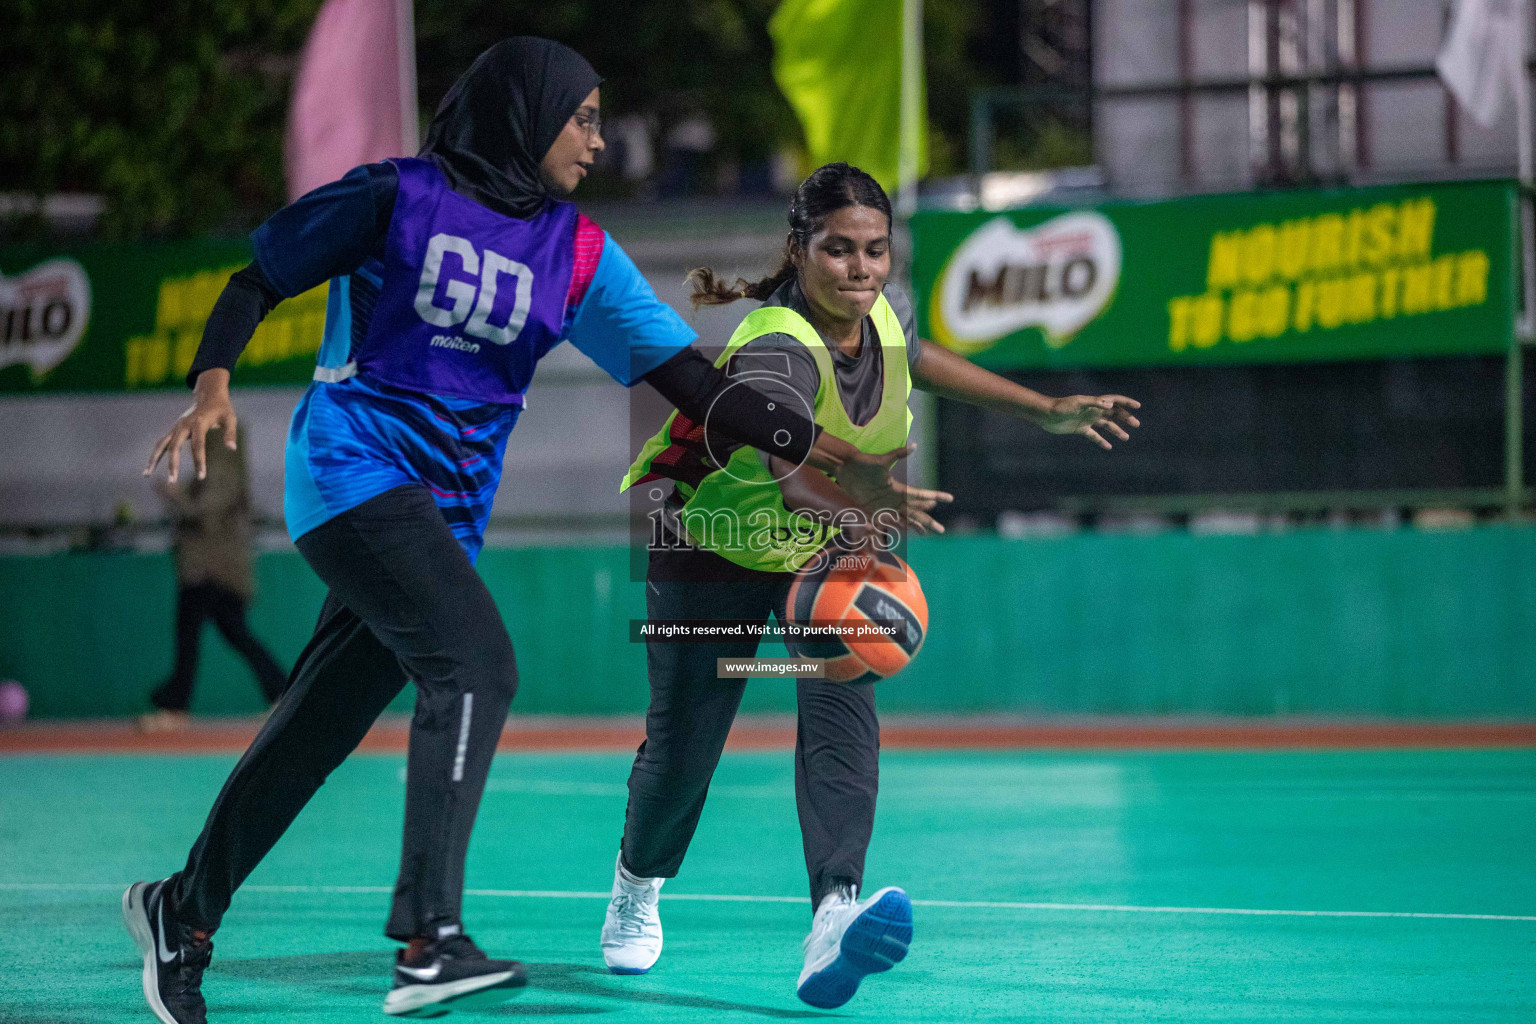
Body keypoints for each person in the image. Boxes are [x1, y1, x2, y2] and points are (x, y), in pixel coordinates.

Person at [123, 39, 892, 1024]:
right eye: (581, 119)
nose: (598, 141)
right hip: (352, 473)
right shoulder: (394, 197)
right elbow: (256, 277)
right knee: (478, 664)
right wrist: (213, 382)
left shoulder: (573, 251)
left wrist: (814, 444)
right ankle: (428, 936)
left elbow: (693, 384)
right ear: (525, 118)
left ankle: (179, 915)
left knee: (318, 724)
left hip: (440, 517)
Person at [601, 162, 1142, 1008]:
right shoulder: (777, 344)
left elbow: (919, 358)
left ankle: (835, 917)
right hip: (713, 540)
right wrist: (860, 500)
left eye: (876, 251)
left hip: (828, 539)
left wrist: (1041, 408)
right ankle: (637, 885)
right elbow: (789, 474)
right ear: (800, 250)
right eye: (839, 250)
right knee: (683, 749)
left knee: (842, 699)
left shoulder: (883, 314)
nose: (860, 268)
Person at [140, 424, 287, 732]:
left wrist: (174, 495)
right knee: (234, 634)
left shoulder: (222, 473)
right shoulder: (218, 473)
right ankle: (282, 693)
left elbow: (202, 513)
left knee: (191, 636)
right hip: (214, 571)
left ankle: (175, 705)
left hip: (210, 571)